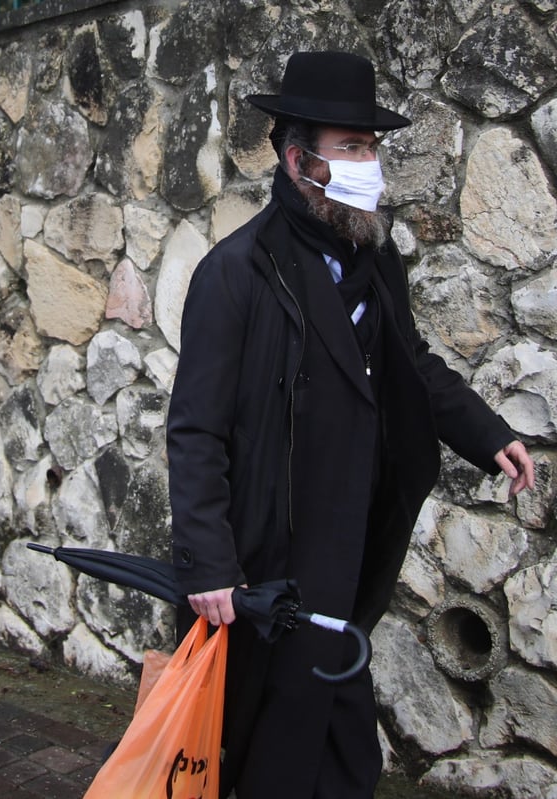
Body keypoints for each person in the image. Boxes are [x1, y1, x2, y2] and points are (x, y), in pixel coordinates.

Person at [167, 51, 534, 798]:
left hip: (350, 552)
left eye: (373, 148)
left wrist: (487, 431)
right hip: (270, 564)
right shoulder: (236, 274)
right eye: (353, 148)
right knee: (266, 756)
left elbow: (413, 364)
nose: (371, 164)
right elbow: (196, 429)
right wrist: (209, 565)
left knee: (341, 757)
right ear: (300, 160)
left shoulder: (375, 258)